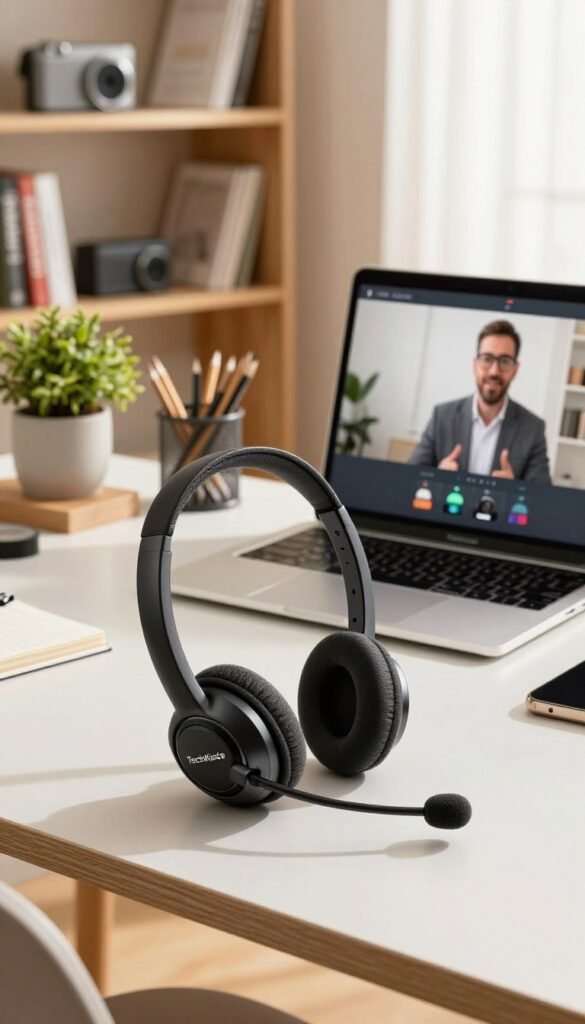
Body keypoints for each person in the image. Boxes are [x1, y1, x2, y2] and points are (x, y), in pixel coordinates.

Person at [408, 320, 551, 484]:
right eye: (487, 358)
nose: (494, 371)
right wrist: (437, 477)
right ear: (475, 364)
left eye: (505, 361)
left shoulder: (533, 429)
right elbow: (410, 479)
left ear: (515, 369)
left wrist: (514, 490)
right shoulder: (441, 416)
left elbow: (542, 499)